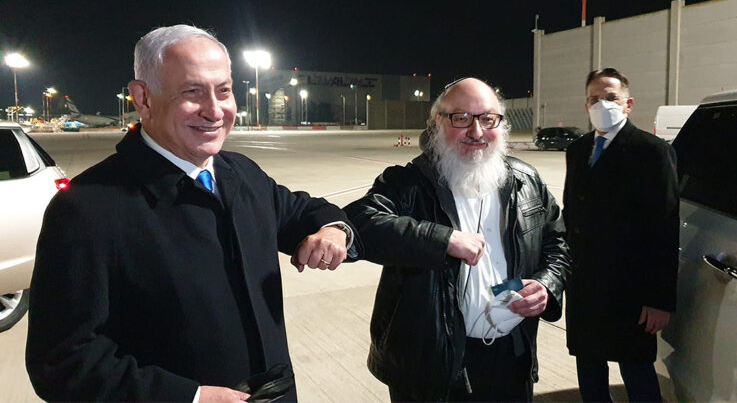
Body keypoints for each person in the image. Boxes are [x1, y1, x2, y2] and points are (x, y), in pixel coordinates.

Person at [26, 25, 354, 402]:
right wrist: (190, 397)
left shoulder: (242, 174)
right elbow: (62, 361)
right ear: (143, 98)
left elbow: (305, 211)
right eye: (192, 92)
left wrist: (332, 230)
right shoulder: (87, 208)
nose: (215, 111)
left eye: (224, 90)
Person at [344, 77, 572, 402]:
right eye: (461, 118)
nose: (476, 132)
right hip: (432, 364)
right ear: (438, 122)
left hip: (511, 357)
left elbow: (557, 245)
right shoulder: (408, 183)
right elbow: (359, 224)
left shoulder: (526, 181)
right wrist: (443, 240)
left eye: (487, 119)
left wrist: (547, 285)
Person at [563, 67, 679, 402]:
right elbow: (572, 217)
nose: (602, 104)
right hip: (585, 286)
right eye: (594, 99)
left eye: (610, 97)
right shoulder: (578, 150)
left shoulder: (651, 152)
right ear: (586, 107)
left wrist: (659, 300)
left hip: (631, 289)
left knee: (637, 373)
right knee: (590, 372)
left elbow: (665, 230)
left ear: (628, 104)